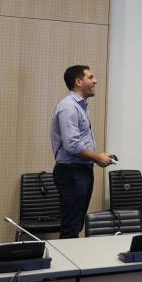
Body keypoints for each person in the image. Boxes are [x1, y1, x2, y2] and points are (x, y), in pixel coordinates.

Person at [51, 65, 114, 239]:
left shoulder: (80, 106)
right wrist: (97, 157)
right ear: (78, 82)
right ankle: (67, 258)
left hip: (80, 171)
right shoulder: (69, 107)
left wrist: (96, 158)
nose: (95, 81)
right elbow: (72, 145)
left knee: (75, 224)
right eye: (90, 77)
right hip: (71, 172)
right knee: (71, 227)